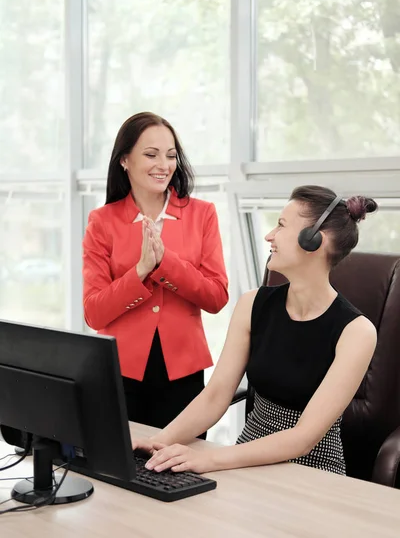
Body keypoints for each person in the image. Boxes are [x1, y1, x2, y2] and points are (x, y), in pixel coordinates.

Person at [132, 185, 378, 475]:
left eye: (281, 225)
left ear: (313, 240)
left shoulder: (357, 332)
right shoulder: (252, 304)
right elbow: (215, 396)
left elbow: (303, 438)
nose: (269, 235)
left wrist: (208, 460)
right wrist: (156, 442)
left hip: (313, 470)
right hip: (244, 460)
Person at [82, 112, 228, 431]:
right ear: (124, 160)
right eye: (151, 154)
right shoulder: (101, 222)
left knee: (182, 472)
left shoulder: (202, 214)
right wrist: (140, 272)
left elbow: (216, 297)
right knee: (120, 471)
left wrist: (166, 265)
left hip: (184, 373)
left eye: (171, 155)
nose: (163, 164)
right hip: (119, 371)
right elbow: (94, 313)